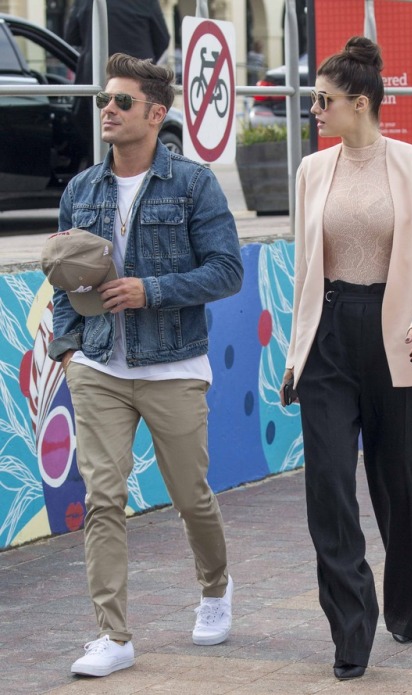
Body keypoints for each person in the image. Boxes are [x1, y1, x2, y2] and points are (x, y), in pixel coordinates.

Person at [42, 52, 243, 678]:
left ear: (156, 114)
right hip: (99, 366)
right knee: (103, 498)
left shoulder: (193, 183)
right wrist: (68, 349)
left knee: (190, 496)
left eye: (123, 101)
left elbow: (228, 269)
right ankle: (113, 635)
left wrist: (150, 289)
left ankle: (215, 589)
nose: (108, 108)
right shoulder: (81, 190)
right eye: (105, 99)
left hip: (174, 364)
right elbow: (64, 277)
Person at [280, 36, 412, 681]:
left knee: (401, 482)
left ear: (360, 103)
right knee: (327, 485)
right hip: (328, 334)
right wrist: (297, 352)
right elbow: (305, 270)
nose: (316, 111)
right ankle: (351, 628)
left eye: (324, 100)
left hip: (396, 336)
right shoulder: (311, 171)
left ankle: (411, 610)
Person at [65, 0, 170, 163]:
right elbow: (162, 39)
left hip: (94, 79)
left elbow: (71, 36)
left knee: (96, 140)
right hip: (138, 82)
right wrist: (140, 66)